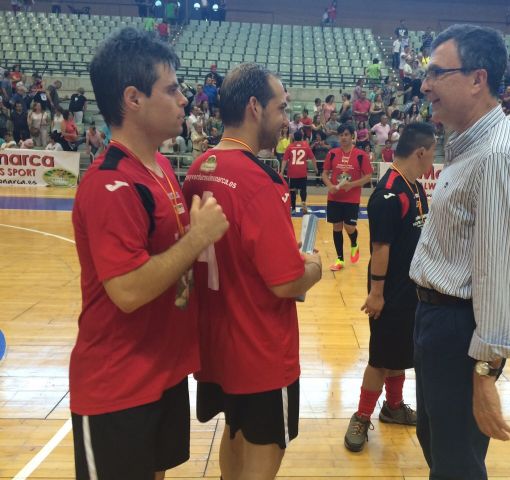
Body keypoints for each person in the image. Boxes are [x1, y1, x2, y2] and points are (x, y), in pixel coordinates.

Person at [69, 28, 229, 480]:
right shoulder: (109, 184)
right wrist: (198, 238)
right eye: (172, 88)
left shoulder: (158, 167)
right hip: (116, 386)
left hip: (162, 372)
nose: (185, 99)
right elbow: (128, 290)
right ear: (133, 98)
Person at [409, 25, 510, 480]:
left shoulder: (498, 156)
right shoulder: (470, 145)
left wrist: (485, 373)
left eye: (435, 73)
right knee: (437, 443)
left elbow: (501, 273)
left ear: (476, 79)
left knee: (456, 464)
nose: (424, 85)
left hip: (459, 332)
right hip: (436, 322)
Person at [182, 63, 322, 480]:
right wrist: (312, 267)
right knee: (263, 453)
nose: (286, 120)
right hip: (261, 351)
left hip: (217, 347)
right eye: (281, 108)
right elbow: (286, 282)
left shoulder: (198, 167)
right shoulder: (260, 182)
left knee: (234, 430)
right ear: (255, 107)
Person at [344, 123, 436, 453]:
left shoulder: (414, 187)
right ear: (421, 152)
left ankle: (393, 407)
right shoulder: (388, 192)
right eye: (433, 151)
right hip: (390, 292)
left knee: (399, 353)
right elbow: (380, 249)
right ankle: (361, 415)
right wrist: (376, 293)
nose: (434, 157)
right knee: (381, 358)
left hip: (413, 290)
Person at [322, 123, 373, 272]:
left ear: (352, 136)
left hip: (351, 199)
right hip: (334, 197)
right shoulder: (332, 153)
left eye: (346, 134)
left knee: (349, 227)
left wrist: (352, 185)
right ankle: (340, 259)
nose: (343, 137)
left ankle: (354, 243)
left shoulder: (360, 155)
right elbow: (325, 173)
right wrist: (330, 185)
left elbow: (368, 176)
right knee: (337, 226)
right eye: (341, 135)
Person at [280, 130, 318, 214]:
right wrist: (316, 168)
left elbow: (284, 160)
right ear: (301, 137)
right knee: (303, 189)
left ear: (294, 137)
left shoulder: (290, 147)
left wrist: (281, 171)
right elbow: (313, 158)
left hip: (292, 173)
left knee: (292, 190)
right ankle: (303, 202)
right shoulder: (306, 146)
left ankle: (293, 208)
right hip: (302, 172)